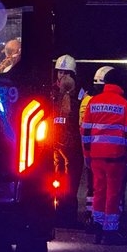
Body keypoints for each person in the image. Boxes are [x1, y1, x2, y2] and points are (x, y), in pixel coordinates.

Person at [80, 67, 127, 245]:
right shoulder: (124, 104)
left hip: (96, 155)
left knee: (99, 191)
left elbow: (85, 131)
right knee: (113, 193)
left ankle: (97, 223)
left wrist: (87, 155)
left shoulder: (93, 102)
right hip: (116, 156)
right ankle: (110, 229)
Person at [51, 54, 84, 227]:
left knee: (70, 184)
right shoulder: (51, 92)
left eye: (66, 72)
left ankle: (68, 217)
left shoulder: (79, 94)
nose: (62, 75)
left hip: (72, 144)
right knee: (55, 182)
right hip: (54, 143)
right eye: (60, 71)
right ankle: (57, 214)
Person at [79, 65, 113, 229]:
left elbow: (83, 127)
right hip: (115, 153)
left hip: (93, 151)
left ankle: (92, 217)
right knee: (112, 188)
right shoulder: (120, 102)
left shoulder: (88, 101)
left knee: (94, 186)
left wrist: (86, 152)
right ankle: (111, 221)